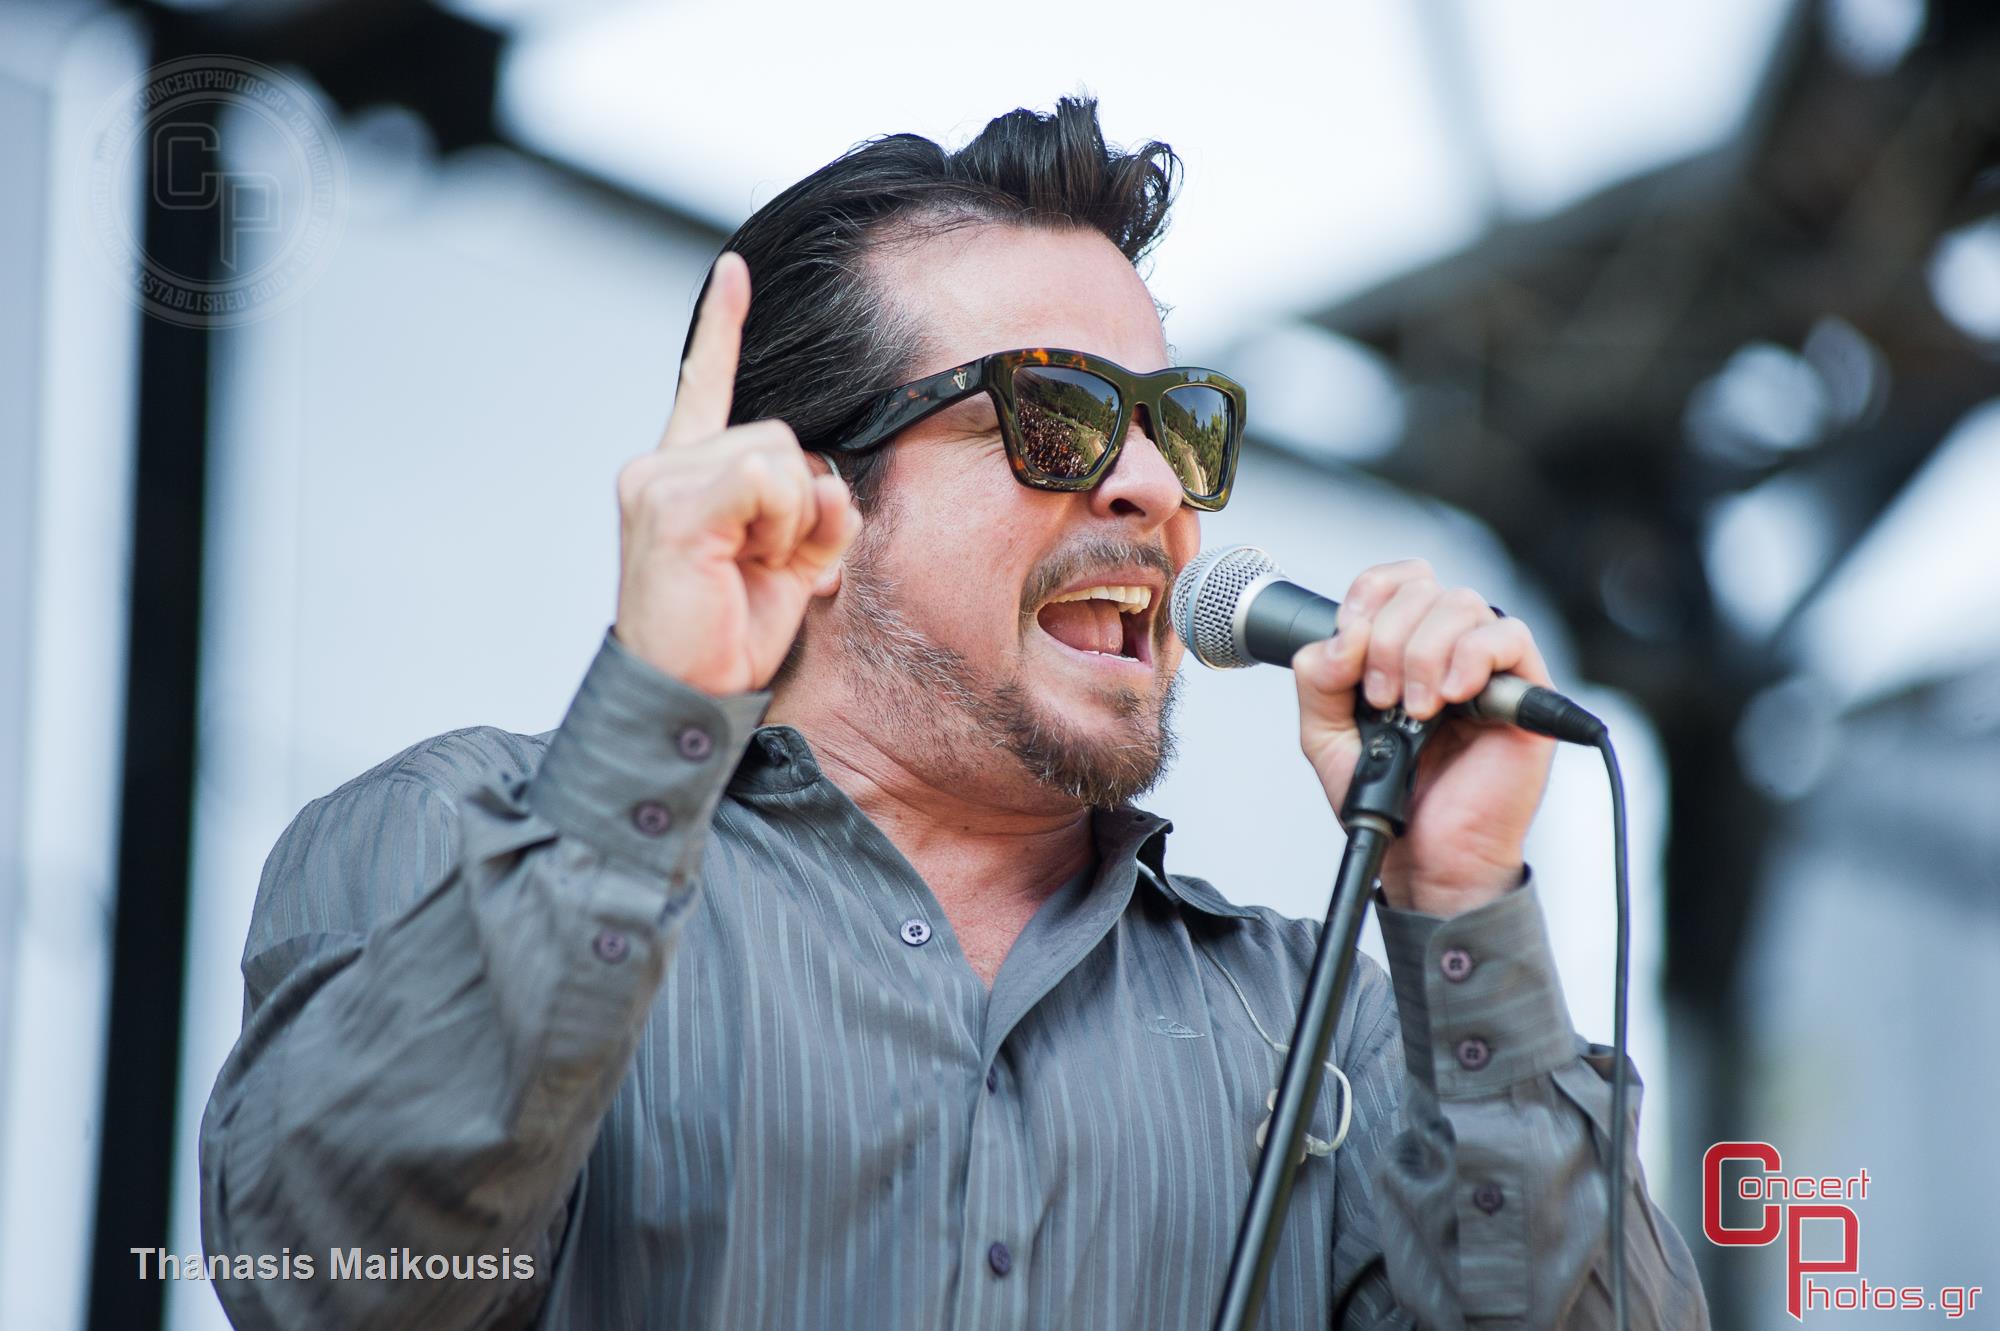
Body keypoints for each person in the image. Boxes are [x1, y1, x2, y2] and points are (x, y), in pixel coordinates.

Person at [200, 97, 1707, 1329]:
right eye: (1057, 414)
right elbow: (332, 1279)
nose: (1151, 486)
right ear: (804, 499)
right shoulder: (454, 841)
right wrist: (654, 717)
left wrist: (1460, 905)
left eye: (1177, 424)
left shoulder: (1324, 1026)